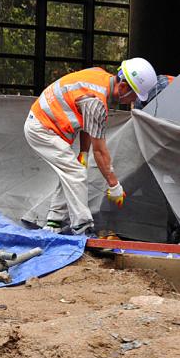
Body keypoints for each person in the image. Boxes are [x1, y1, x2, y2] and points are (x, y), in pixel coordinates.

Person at [24, 58, 157, 236]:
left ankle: (54, 222)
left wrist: (83, 153)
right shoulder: (96, 102)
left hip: (43, 124)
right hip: (42, 129)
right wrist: (114, 185)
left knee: (70, 172)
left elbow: (86, 124)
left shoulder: (98, 75)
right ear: (124, 87)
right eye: (134, 95)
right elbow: (101, 151)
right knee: (76, 174)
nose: (133, 100)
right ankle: (82, 227)